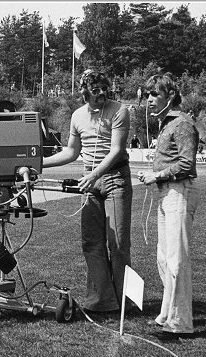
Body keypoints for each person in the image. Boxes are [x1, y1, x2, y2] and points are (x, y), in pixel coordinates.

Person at [42, 69, 132, 313]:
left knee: (118, 243)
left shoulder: (120, 110)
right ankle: (102, 300)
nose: (101, 96)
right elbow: (71, 152)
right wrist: (38, 164)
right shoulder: (77, 116)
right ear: (84, 93)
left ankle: (125, 301)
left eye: (104, 90)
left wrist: (94, 174)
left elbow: (115, 150)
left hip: (115, 179)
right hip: (90, 184)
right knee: (91, 243)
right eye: (95, 93)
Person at [137, 73, 200, 339]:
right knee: (164, 258)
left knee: (177, 260)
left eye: (154, 95)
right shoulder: (166, 124)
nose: (149, 100)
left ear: (170, 96)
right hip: (165, 193)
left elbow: (187, 165)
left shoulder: (182, 124)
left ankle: (182, 321)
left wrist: (158, 175)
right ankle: (167, 313)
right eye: (148, 96)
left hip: (178, 192)